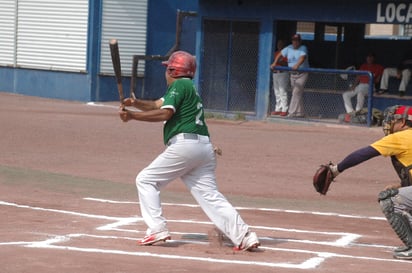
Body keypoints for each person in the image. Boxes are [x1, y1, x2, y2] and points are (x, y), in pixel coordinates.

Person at [118, 50, 260, 251]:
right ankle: (244, 235)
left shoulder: (179, 85)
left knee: (146, 179)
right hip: (203, 148)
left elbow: (166, 112)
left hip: (186, 146)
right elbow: (157, 104)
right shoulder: (187, 87)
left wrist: (133, 117)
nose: (165, 72)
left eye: (168, 68)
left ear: (174, 71)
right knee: (210, 196)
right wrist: (136, 104)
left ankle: (157, 228)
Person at [325, 105, 412, 260]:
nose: (389, 123)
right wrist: (401, 185)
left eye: (393, 120)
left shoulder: (401, 137)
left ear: (404, 122)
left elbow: (364, 153)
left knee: (390, 199)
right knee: (402, 194)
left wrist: (336, 170)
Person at [273, 33, 309, 118]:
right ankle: (300, 113)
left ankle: (291, 112)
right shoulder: (289, 47)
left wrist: (297, 64)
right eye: (294, 40)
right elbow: (280, 54)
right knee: (296, 93)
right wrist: (275, 62)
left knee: (296, 93)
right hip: (292, 74)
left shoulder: (303, 48)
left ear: (300, 41)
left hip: (302, 73)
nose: (295, 42)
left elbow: (303, 57)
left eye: (297, 40)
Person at [270, 39, 289, 116]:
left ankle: (285, 109)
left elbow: (286, 64)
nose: (279, 45)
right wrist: (277, 61)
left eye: (281, 44)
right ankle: (278, 109)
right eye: (278, 44)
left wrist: (277, 61)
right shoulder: (275, 53)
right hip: (275, 73)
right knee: (276, 92)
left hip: (283, 73)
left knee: (282, 91)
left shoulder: (286, 53)